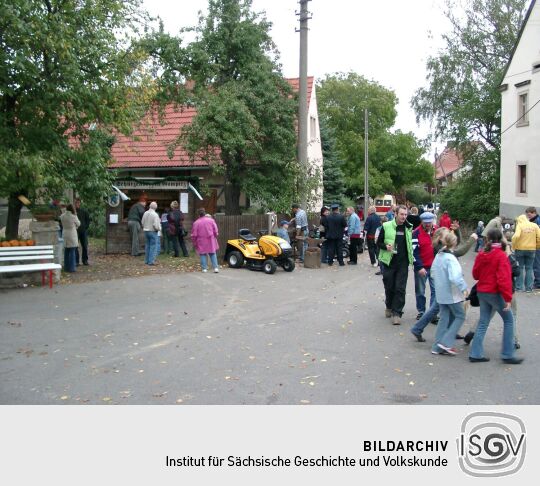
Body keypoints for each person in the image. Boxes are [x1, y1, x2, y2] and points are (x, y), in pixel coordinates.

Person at [411, 227, 478, 342]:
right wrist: (472, 240)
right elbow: (459, 251)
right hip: (446, 283)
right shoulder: (439, 247)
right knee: (442, 309)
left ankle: (445, 331)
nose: (449, 235)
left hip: (445, 282)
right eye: (447, 234)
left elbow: (456, 243)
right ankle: (442, 332)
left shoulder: (443, 245)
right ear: (440, 238)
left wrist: (457, 231)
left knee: (440, 308)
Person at [469, 229, 523, 364]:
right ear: (501, 239)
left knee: (483, 321)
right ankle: (508, 353)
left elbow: (475, 275)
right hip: (494, 293)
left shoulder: (482, 254)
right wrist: (508, 298)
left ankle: (475, 353)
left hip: (482, 291)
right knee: (509, 320)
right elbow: (504, 279)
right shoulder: (501, 256)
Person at [430, 231, 469, 355]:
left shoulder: (439, 255)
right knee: (460, 315)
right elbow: (455, 277)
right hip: (451, 293)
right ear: (454, 243)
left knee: (444, 318)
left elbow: (432, 272)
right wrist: (464, 287)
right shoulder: (451, 258)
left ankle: (437, 346)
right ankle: (446, 342)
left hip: (440, 292)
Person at [376, 205, 413, 325]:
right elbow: (378, 242)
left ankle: (397, 313)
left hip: (403, 262)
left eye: (405, 214)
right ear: (396, 214)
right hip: (389, 262)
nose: (404, 217)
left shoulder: (408, 227)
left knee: (400, 288)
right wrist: (385, 247)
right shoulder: (386, 226)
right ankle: (389, 306)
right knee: (389, 286)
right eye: (402, 214)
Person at [413, 212, 438, 320]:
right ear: (421, 222)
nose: (428, 225)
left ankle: (432, 313)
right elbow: (414, 252)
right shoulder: (416, 233)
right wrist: (419, 266)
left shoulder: (437, 231)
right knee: (420, 291)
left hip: (435, 267)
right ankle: (422, 311)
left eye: (430, 222)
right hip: (422, 267)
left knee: (435, 291)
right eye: (425, 223)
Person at [511, 214, 540, 292]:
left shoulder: (520, 225)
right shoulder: (534, 225)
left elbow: (516, 236)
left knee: (520, 267)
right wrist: (537, 246)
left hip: (520, 249)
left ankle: (519, 287)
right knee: (529, 268)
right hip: (532, 249)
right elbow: (539, 237)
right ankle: (529, 288)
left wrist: (513, 246)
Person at [191, 208, 220, 273]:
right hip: (210, 239)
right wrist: (215, 236)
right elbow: (215, 230)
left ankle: (204, 268)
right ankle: (215, 268)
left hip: (201, 240)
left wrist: (194, 242)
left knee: (202, 254)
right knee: (212, 253)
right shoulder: (211, 220)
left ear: (198, 214)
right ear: (204, 213)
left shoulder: (196, 223)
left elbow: (194, 234)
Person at [60, 204, 81, 273]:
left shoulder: (62, 216)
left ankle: (66, 267)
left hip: (65, 233)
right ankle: (72, 268)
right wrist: (76, 214)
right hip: (72, 234)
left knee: (66, 251)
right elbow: (78, 224)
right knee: (72, 251)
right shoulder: (73, 216)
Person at [525, 206, 540, 289]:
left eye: (529, 214)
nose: (528, 216)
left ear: (534, 213)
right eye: (527, 215)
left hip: (537, 245)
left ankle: (538, 283)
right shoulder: (534, 220)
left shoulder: (537, 221)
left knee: (536, 264)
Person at [74, 198, 91, 266]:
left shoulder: (84, 211)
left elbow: (88, 220)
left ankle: (85, 260)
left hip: (83, 231)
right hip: (75, 231)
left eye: (78, 203)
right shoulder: (73, 212)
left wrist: (85, 227)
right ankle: (76, 261)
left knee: (84, 246)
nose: (77, 204)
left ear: (80, 203)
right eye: (76, 203)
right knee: (75, 246)